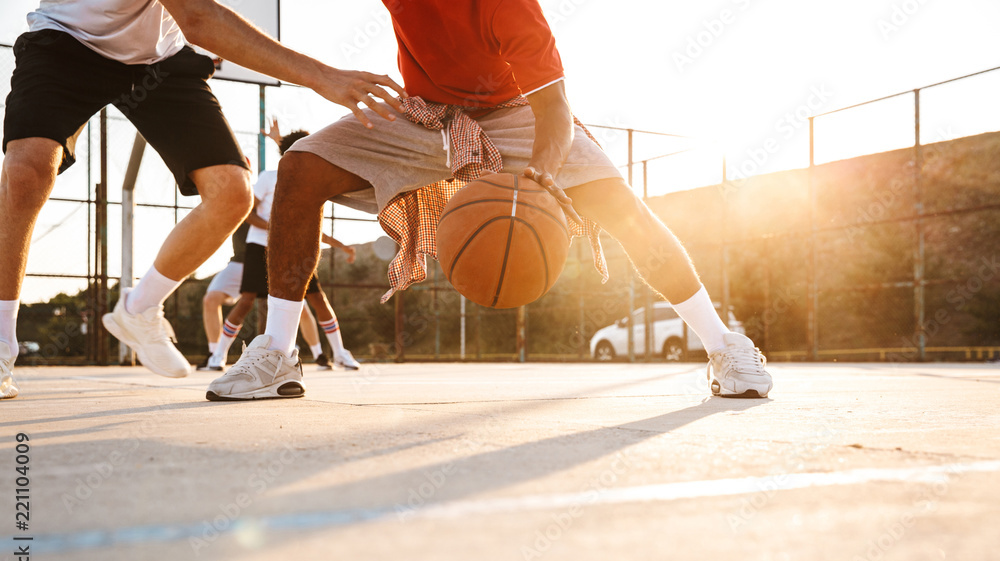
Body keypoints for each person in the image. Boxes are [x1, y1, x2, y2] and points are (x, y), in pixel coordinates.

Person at [209, 0, 773, 401]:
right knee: (300, 168)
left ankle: (723, 345)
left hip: (517, 117)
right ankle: (279, 352)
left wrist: (541, 176)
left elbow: (553, 109)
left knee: (623, 208)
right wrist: (316, 75)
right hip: (423, 114)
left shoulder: (508, 4)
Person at [0, 0, 403, 400]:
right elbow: (198, 18)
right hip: (66, 42)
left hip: (159, 59)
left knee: (232, 192)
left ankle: (138, 308)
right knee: (26, 174)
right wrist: (322, 76)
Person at [204, 129, 360, 377]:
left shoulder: (311, 181)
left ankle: (340, 353)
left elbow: (312, 226)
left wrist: (341, 245)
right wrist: (277, 229)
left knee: (318, 299)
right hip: (261, 247)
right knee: (245, 301)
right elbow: (249, 213)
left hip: (296, 248)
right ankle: (218, 355)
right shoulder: (269, 177)